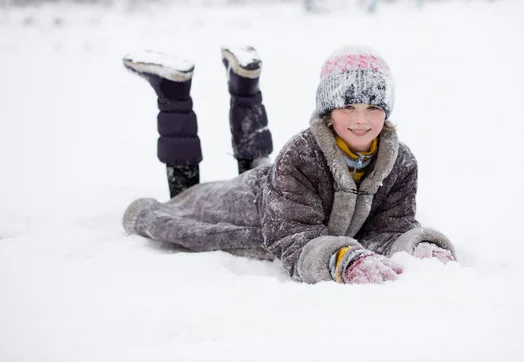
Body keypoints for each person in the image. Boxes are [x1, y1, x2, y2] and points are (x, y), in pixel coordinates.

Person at [122, 44, 456, 285]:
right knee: (184, 192)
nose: (361, 120)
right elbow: (292, 237)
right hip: (242, 204)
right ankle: (173, 93)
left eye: (373, 107)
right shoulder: (301, 154)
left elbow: (390, 227)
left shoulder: (399, 162)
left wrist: (416, 246)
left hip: (277, 188)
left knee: (256, 160)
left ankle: (244, 87)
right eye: (348, 106)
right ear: (327, 110)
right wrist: (339, 259)